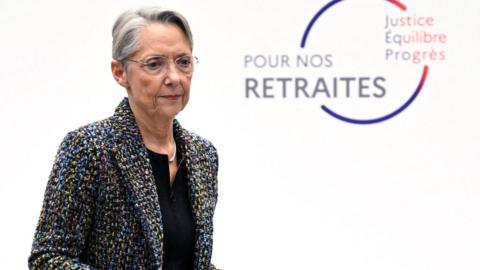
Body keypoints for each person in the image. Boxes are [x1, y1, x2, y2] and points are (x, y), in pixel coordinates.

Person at [28, 7, 219, 270]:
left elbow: (190, 262)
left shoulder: (203, 155)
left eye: (183, 61)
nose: (174, 77)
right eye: (154, 64)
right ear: (120, 72)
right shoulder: (89, 148)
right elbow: (47, 260)